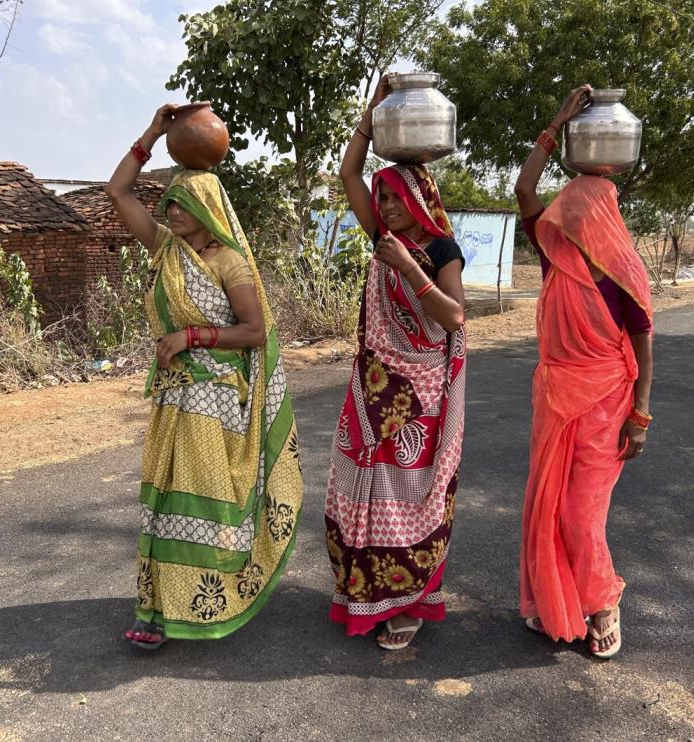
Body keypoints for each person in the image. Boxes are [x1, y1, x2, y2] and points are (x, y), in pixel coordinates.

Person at [104, 104, 303, 649]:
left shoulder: (227, 263)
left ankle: (200, 601)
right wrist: (151, 133)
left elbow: (254, 331)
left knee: (198, 498)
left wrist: (190, 337)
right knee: (166, 498)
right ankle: (158, 607)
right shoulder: (167, 251)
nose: (169, 210)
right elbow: (119, 191)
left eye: (181, 202)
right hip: (174, 396)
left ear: (206, 206)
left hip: (214, 398)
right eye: (167, 202)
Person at [326, 75, 468, 651]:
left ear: (418, 201)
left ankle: (408, 601)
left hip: (420, 394)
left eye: (393, 198)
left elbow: (454, 317)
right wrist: (374, 110)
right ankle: (365, 596)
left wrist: (409, 268)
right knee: (358, 489)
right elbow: (347, 174)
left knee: (411, 497)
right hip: (372, 386)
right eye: (381, 198)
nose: (383, 205)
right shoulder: (381, 235)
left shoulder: (439, 250)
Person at [514, 85, 655, 659]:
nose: (564, 218)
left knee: (579, 509)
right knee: (547, 503)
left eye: (575, 211)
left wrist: (641, 415)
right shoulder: (556, 257)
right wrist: (556, 124)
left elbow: (644, 348)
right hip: (556, 394)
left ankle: (601, 603)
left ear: (600, 216)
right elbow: (524, 189)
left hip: (606, 402)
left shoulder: (623, 270)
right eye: (563, 211)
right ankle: (556, 603)